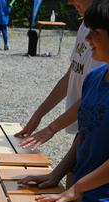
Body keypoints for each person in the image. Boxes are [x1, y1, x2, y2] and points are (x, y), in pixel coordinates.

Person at [19, 0, 109, 202]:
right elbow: (84, 134)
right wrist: (56, 174)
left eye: (96, 33)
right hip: (80, 196)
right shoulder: (94, 78)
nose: (87, 37)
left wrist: (77, 188)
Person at [15, 0, 102, 150]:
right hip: (84, 126)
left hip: (99, 129)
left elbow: (93, 96)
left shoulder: (103, 35)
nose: (69, 1)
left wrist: (52, 128)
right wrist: (39, 114)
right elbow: (71, 75)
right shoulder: (84, 27)